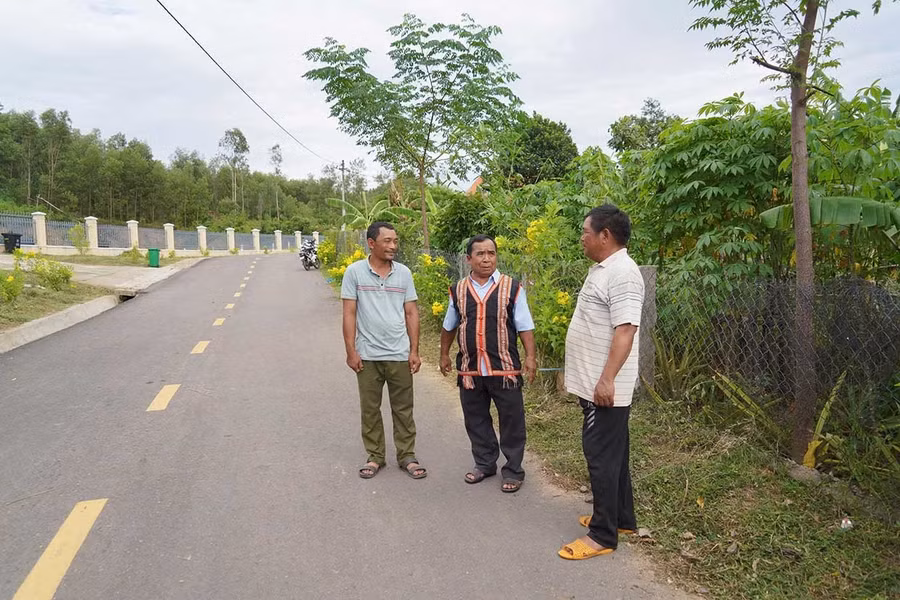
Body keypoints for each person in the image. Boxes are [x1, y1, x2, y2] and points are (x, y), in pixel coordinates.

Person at [558, 205, 644, 560]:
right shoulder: (605, 269)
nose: (582, 238)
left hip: (605, 389)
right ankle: (621, 519)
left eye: (585, 232)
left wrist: (607, 379)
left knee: (600, 456)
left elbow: (626, 330)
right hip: (597, 384)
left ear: (604, 235)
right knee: (614, 454)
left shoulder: (623, 273)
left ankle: (602, 535)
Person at [439, 234, 537, 493]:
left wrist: (530, 357)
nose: (486, 259)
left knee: (512, 421)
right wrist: (444, 354)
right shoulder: (458, 289)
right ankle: (484, 463)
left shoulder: (512, 288)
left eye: (491, 253)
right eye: (480, 254)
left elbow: (525, 326)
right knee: (476, 418)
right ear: (468, 259)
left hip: (504, 368)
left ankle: (513, 470)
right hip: (471, 369)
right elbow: (449, 325)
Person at [341, 222, 426, 480]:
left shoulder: (404, 274)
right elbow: (349, 313)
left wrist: (414, 350)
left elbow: (411, 312)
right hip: (367, 355)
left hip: (399, 354)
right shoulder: (354, 273)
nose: (393, 246)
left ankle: (407, 455)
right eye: (387, 241)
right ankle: (375, 456)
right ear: (371, 243)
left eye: (395, 241)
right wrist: (351, 351)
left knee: (403, 409)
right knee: (370, 409)